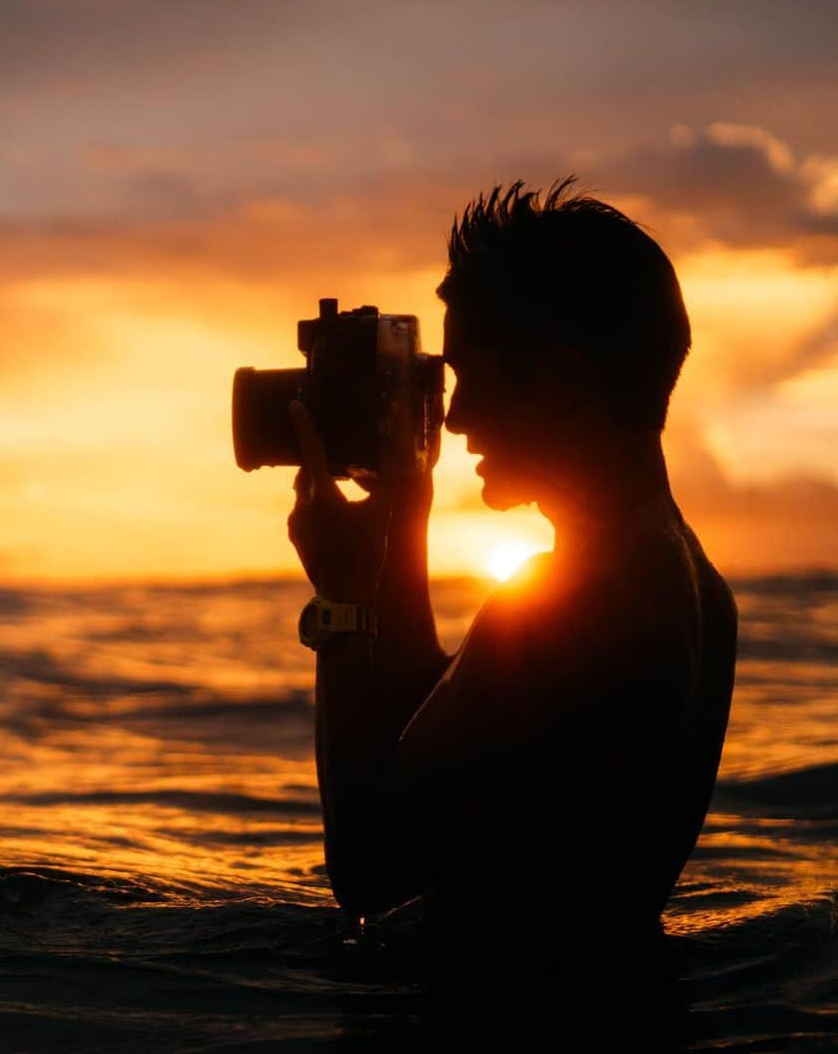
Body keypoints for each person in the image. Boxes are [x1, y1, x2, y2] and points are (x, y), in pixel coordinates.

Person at [285, 179, 738, 983]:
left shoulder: (584, 600)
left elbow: (367, 873)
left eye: (471, 378)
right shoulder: (688, 581)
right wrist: (404, 528)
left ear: (560, 384)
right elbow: (437, 740)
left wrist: (343, 602)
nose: (453, 418)